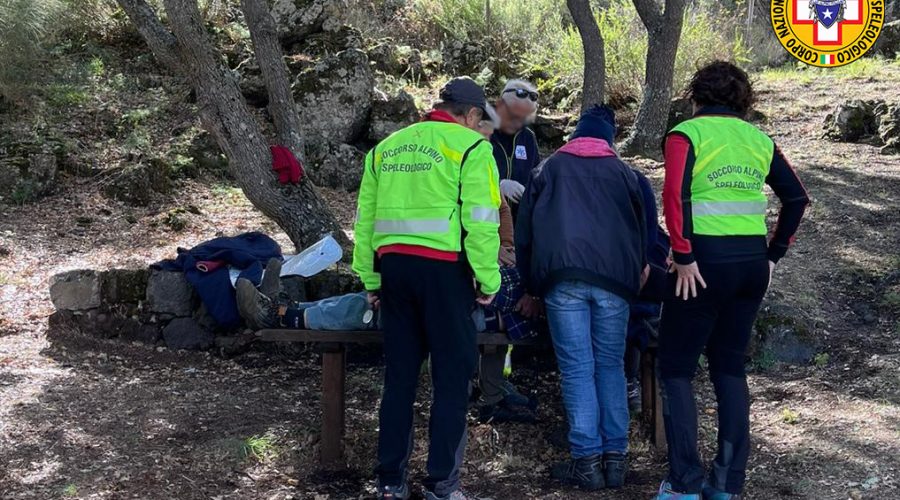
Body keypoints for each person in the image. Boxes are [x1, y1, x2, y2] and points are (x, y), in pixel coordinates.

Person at [655, 61, 809, 500]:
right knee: (729, 367)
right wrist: (773, 256)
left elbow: (676, 196)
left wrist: (683, 255)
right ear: (744, 101)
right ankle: (726, 484)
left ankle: (684, 484)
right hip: (751, 266)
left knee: (677, 369)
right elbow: (797, 199)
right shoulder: (760, 139)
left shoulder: (687, 135)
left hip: (701, 266)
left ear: (695, 97)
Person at [353, 77, 502, 500]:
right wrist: (488, 280)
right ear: (471, 115)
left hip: (395, 272)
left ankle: (389, 482)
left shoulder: (387, 148)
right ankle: (441, 484)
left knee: (399, 379)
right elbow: (481, 221)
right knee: (452, 381)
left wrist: (371, 279)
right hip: (446, 273)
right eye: (480, 120)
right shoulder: (473, 148)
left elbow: (365, 221)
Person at [516, 105, 648, 491]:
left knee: (576, 368)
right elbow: (643, 234)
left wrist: (532, 286)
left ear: (575, 135)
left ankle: (586, 462)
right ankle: (616, 461)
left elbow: (525, 237)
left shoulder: (547, 170)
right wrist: (634, 272)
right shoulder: (626, 174)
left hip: (562, 280)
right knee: (610, 365)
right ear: (609, 138)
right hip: (615, 284)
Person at [491, 79, 541, 211]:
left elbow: (536, 177)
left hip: (518, 220)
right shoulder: (481, 133)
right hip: (485, 219)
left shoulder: (528, 137)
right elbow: (465, 179)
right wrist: (498, 185)